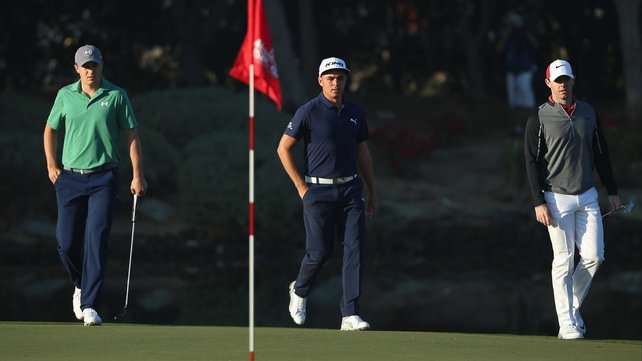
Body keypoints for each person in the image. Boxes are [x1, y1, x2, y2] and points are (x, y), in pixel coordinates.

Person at [43, 45, 148, 326]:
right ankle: (79, 284)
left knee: (96, 240)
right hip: (70, 179)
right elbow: (50, 129)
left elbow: (132, 136)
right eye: (85, 67)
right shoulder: (65, 95)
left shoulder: (116, 95)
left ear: (102, 66)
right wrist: (52, 165)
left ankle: (90, 304)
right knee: (66, 244)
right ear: (76, 69)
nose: (91, 71)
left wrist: (137, 174)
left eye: (95, 66)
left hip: (104, 178)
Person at [277, 57, 377, 331]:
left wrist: (371, 190)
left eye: (340, 77)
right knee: (319, 252)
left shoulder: (355, 112)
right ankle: (299, 290)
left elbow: (363, 153)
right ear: (320, 81)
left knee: (354, 249)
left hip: (351, 189)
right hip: (317, 190)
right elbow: (283, 148)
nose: (335, 82)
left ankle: (349, 314)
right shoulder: (308, 111)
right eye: (330, 78)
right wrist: (300, 186)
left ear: (346, 80)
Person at [524, 59, 620, 339]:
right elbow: (531, 161)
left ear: (573, 81)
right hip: (555, 197)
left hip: (588, 195)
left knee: (594, 256)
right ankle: (566, 324)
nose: (563, 85)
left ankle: (571, 307)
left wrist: (612, 190)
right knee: (563, 261)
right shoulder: (539, 118)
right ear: (548, 84)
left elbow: (601, 153)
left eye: (566, 80)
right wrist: (537, 200)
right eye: (557, 81)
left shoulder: (588, 112)